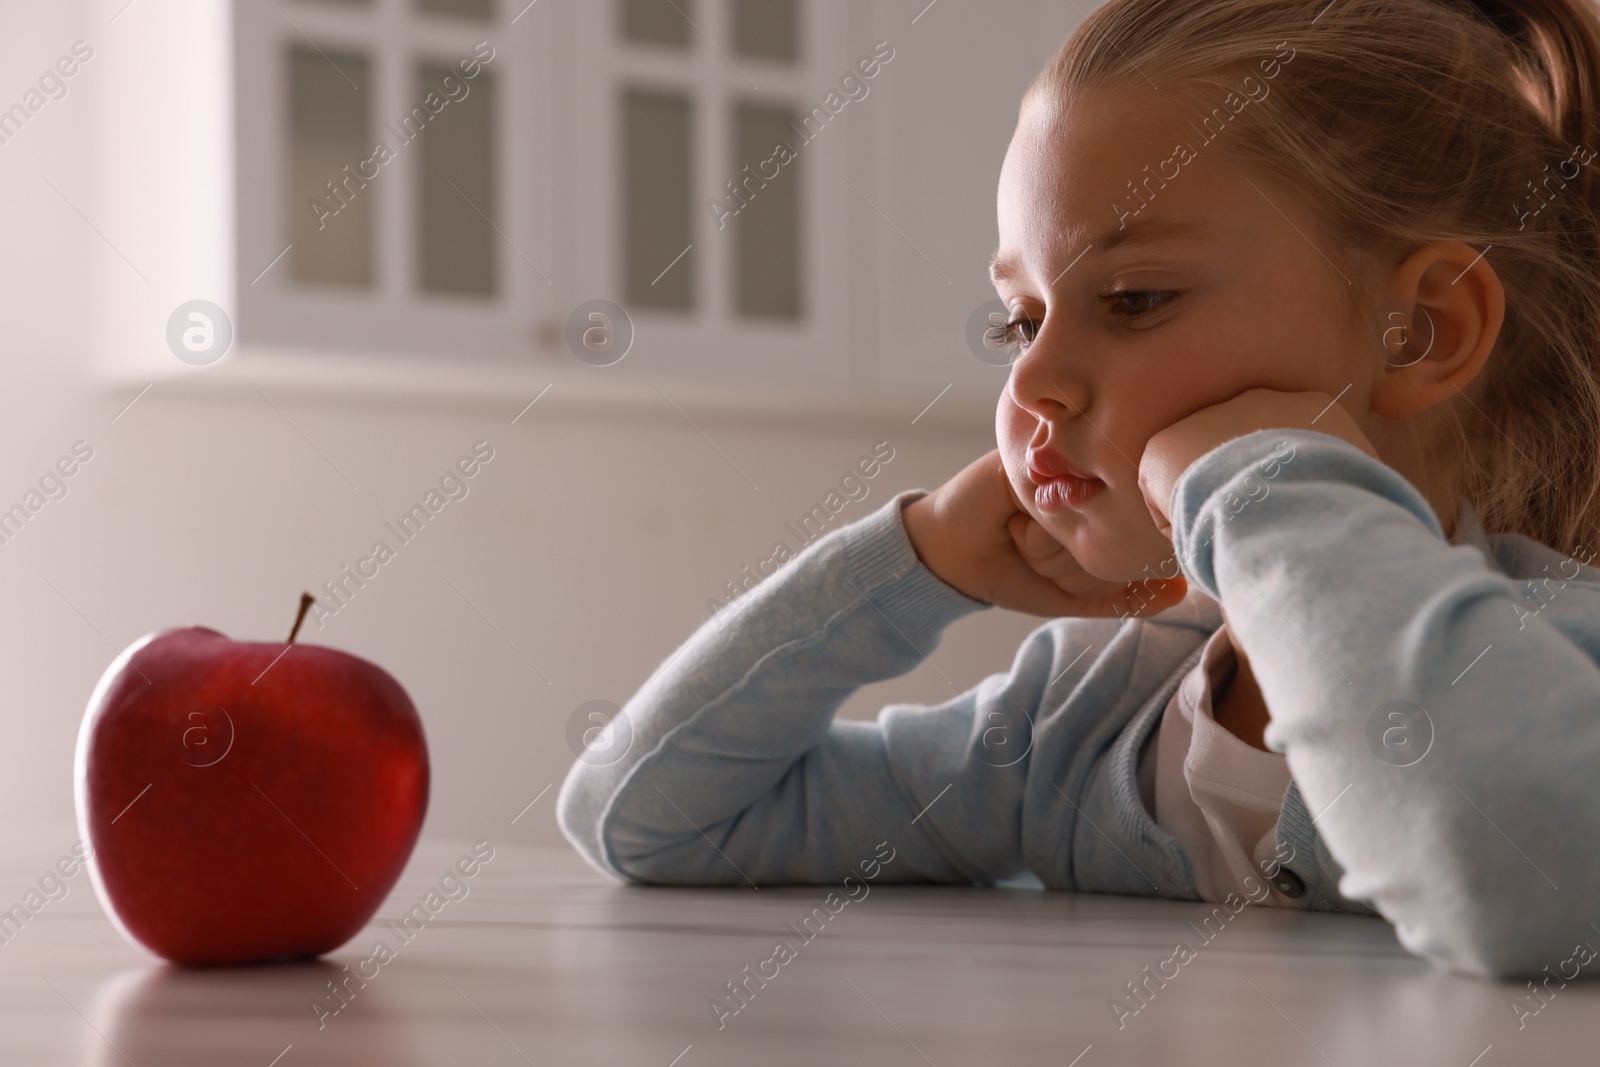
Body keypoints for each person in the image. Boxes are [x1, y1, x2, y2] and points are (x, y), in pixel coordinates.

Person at [558, 0, 1600, 979]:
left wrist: (1267, 480)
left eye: (1135, 297)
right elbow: (647, 819)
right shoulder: (1074, 727)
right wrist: (911, 564)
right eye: (1022, 317)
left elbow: (1524, 882)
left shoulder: (1559, 655)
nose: (1031, 379)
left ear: (1421, 331)